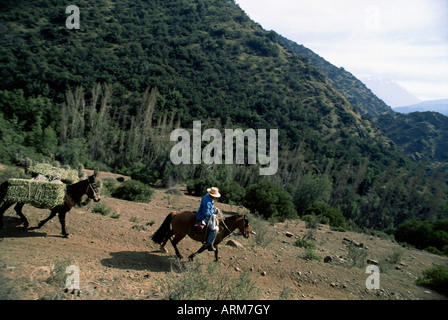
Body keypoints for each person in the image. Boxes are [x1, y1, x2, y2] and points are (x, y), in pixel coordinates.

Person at [196, 187, 221, 251]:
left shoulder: (206, 196)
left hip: (201, 213)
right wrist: (214, 211)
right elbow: (206, 213)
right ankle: (209, 244)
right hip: (203, 217)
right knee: (215, 230)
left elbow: (209, 207)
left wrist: (213, 207)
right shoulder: (208, 202)